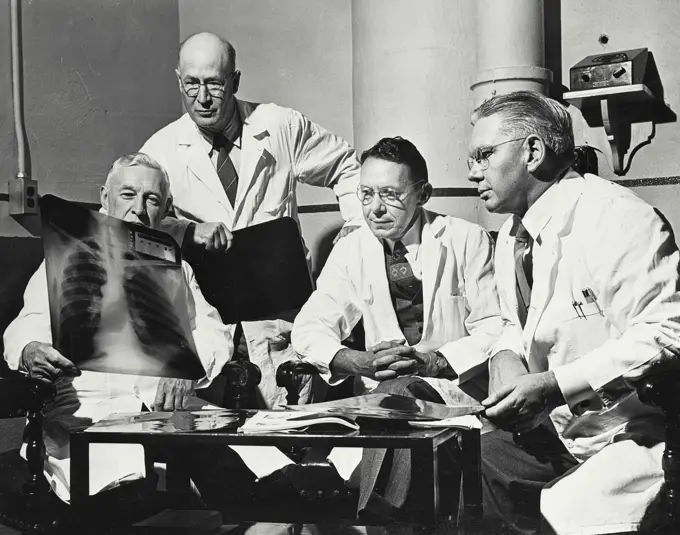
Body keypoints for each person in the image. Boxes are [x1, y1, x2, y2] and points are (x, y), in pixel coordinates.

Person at [467, 90, 680, 534]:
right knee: (462, 466)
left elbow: (668, 332)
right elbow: (515, 323)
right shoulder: (513, 234)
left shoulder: (619, 218)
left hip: (635, 432)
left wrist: (555, 387)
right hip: (559, 433)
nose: (473, 172)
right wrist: (505, 357)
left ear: (532, 150)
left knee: (570, 509)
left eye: (484, 156)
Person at [140, 32, 364, 408]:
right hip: (211, 328)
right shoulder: (160, 150)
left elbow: (347, 166)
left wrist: (355, 233)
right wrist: (186, 230)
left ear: (235, 81)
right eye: (191, 84)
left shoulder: (279, 126)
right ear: (179, 81)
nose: (203, 97)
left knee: (293, 445)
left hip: (280, 322)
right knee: (221, 450)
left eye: (214, 83)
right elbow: (138, 226)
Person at [3, 153, 234, 503]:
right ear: (105, 199)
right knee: (137, 490)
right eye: (128, 195)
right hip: (89, 416)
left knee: (249, 472)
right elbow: (29, 324)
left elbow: (212, 330)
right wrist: (30, 350)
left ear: (165, 209)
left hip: (166, 414)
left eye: (151, 199)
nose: (139, 209)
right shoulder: (66, 256)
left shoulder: (177, 269)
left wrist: (188, 368)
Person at [292, 136, 501, 517]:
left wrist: (433, 362)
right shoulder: (350, 250)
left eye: (390, 194)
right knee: (393, 392)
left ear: (423, 194)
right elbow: (308, 328)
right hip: (382, 405)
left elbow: (495, 329)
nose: (374, 208)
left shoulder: (465, 239)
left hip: (454, 393)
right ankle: (390, 518)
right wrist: (358, 362)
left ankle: (378, 516)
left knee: (399, 388)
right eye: (366, 193)